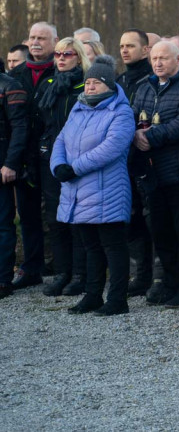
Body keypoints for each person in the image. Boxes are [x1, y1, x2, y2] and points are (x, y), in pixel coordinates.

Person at [51, 55, 135, 315]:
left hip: (107, 190)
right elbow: (60, 141)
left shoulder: (121, 112)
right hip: (78, 191)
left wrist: (74, 168)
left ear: (109, 84)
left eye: (96, 83)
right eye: (88, 83)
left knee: (113, 247)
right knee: (90, 248)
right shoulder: (78, 109)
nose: (89, 87)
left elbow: (111, 148)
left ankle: (118, 300)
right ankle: (93, 295)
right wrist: (58, 166)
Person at [131, 42, 179, 308]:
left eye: (164, 58)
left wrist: (149, 137)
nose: (158, 62)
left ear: (178, 59)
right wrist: (135, 135)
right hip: (152, 174)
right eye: (154, 58)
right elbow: (131, 117)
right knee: (161, 232)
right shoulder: (144, 87)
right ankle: (169, 283)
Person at [37, 38, 90, 297]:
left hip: (78, 159)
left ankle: (81, 274)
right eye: (57, 54)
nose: (61, 58)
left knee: (77, 219)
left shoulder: (87, 85)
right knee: (55, 219)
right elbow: (39, 123)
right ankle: (62, 272)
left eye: (67, 54)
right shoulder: (48, 85)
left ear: (78, 57)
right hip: (50, 158)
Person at [8, 22, 58, 290]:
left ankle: (65, 267)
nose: (36, 42)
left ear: (55, 41)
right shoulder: (16, 74)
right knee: (27, 215)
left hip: (53, 154)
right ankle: (31, 267)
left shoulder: (62, 69)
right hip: (24, 154)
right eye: (32, 37)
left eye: (42, 38)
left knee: (55, 212)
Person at [117, 28, 156, 297]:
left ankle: (158, 277)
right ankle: (138, 276)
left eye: (130, 45)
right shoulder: (118, 81)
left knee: (152, 219)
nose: (124, 50)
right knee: (131, 220)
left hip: (150, 159)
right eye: (121, 46)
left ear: (145, 50)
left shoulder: (153, 80)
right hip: (123, 161)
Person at [0, 66, 28, 299]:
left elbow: (20, 128)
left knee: (2, 224)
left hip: (1, 167)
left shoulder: (9, 86)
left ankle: (2, 280)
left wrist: (10, 163)